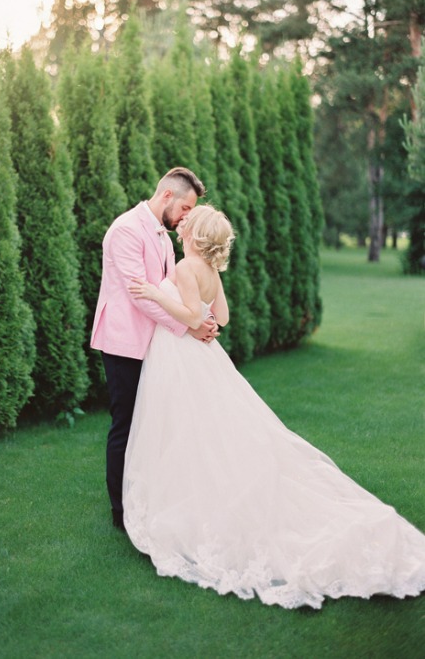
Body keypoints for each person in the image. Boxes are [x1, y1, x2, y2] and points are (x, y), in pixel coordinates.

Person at [124, 204, 425, 610]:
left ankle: (187, 499)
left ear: (194, 237)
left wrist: (155, 293)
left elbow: (191, 314)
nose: (182, 227)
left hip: (180, 353)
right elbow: (222, 316)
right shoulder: (211, 271)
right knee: (208, 428)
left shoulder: (183, 269)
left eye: (188, 225)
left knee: (183, 427)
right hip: (206, 356)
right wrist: (204, 317)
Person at [91, 167, 213, 531]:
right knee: (126, 424)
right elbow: (140, 295)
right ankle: (120, 512)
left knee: (153, 424)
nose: (187, 217)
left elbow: (166, 288)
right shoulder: (126, 230)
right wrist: (190, 326)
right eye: (186, 208)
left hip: (156, 342)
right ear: (166, 197)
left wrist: (198, 315)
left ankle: (147, 496)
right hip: (124, 343)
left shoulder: (162, 233)